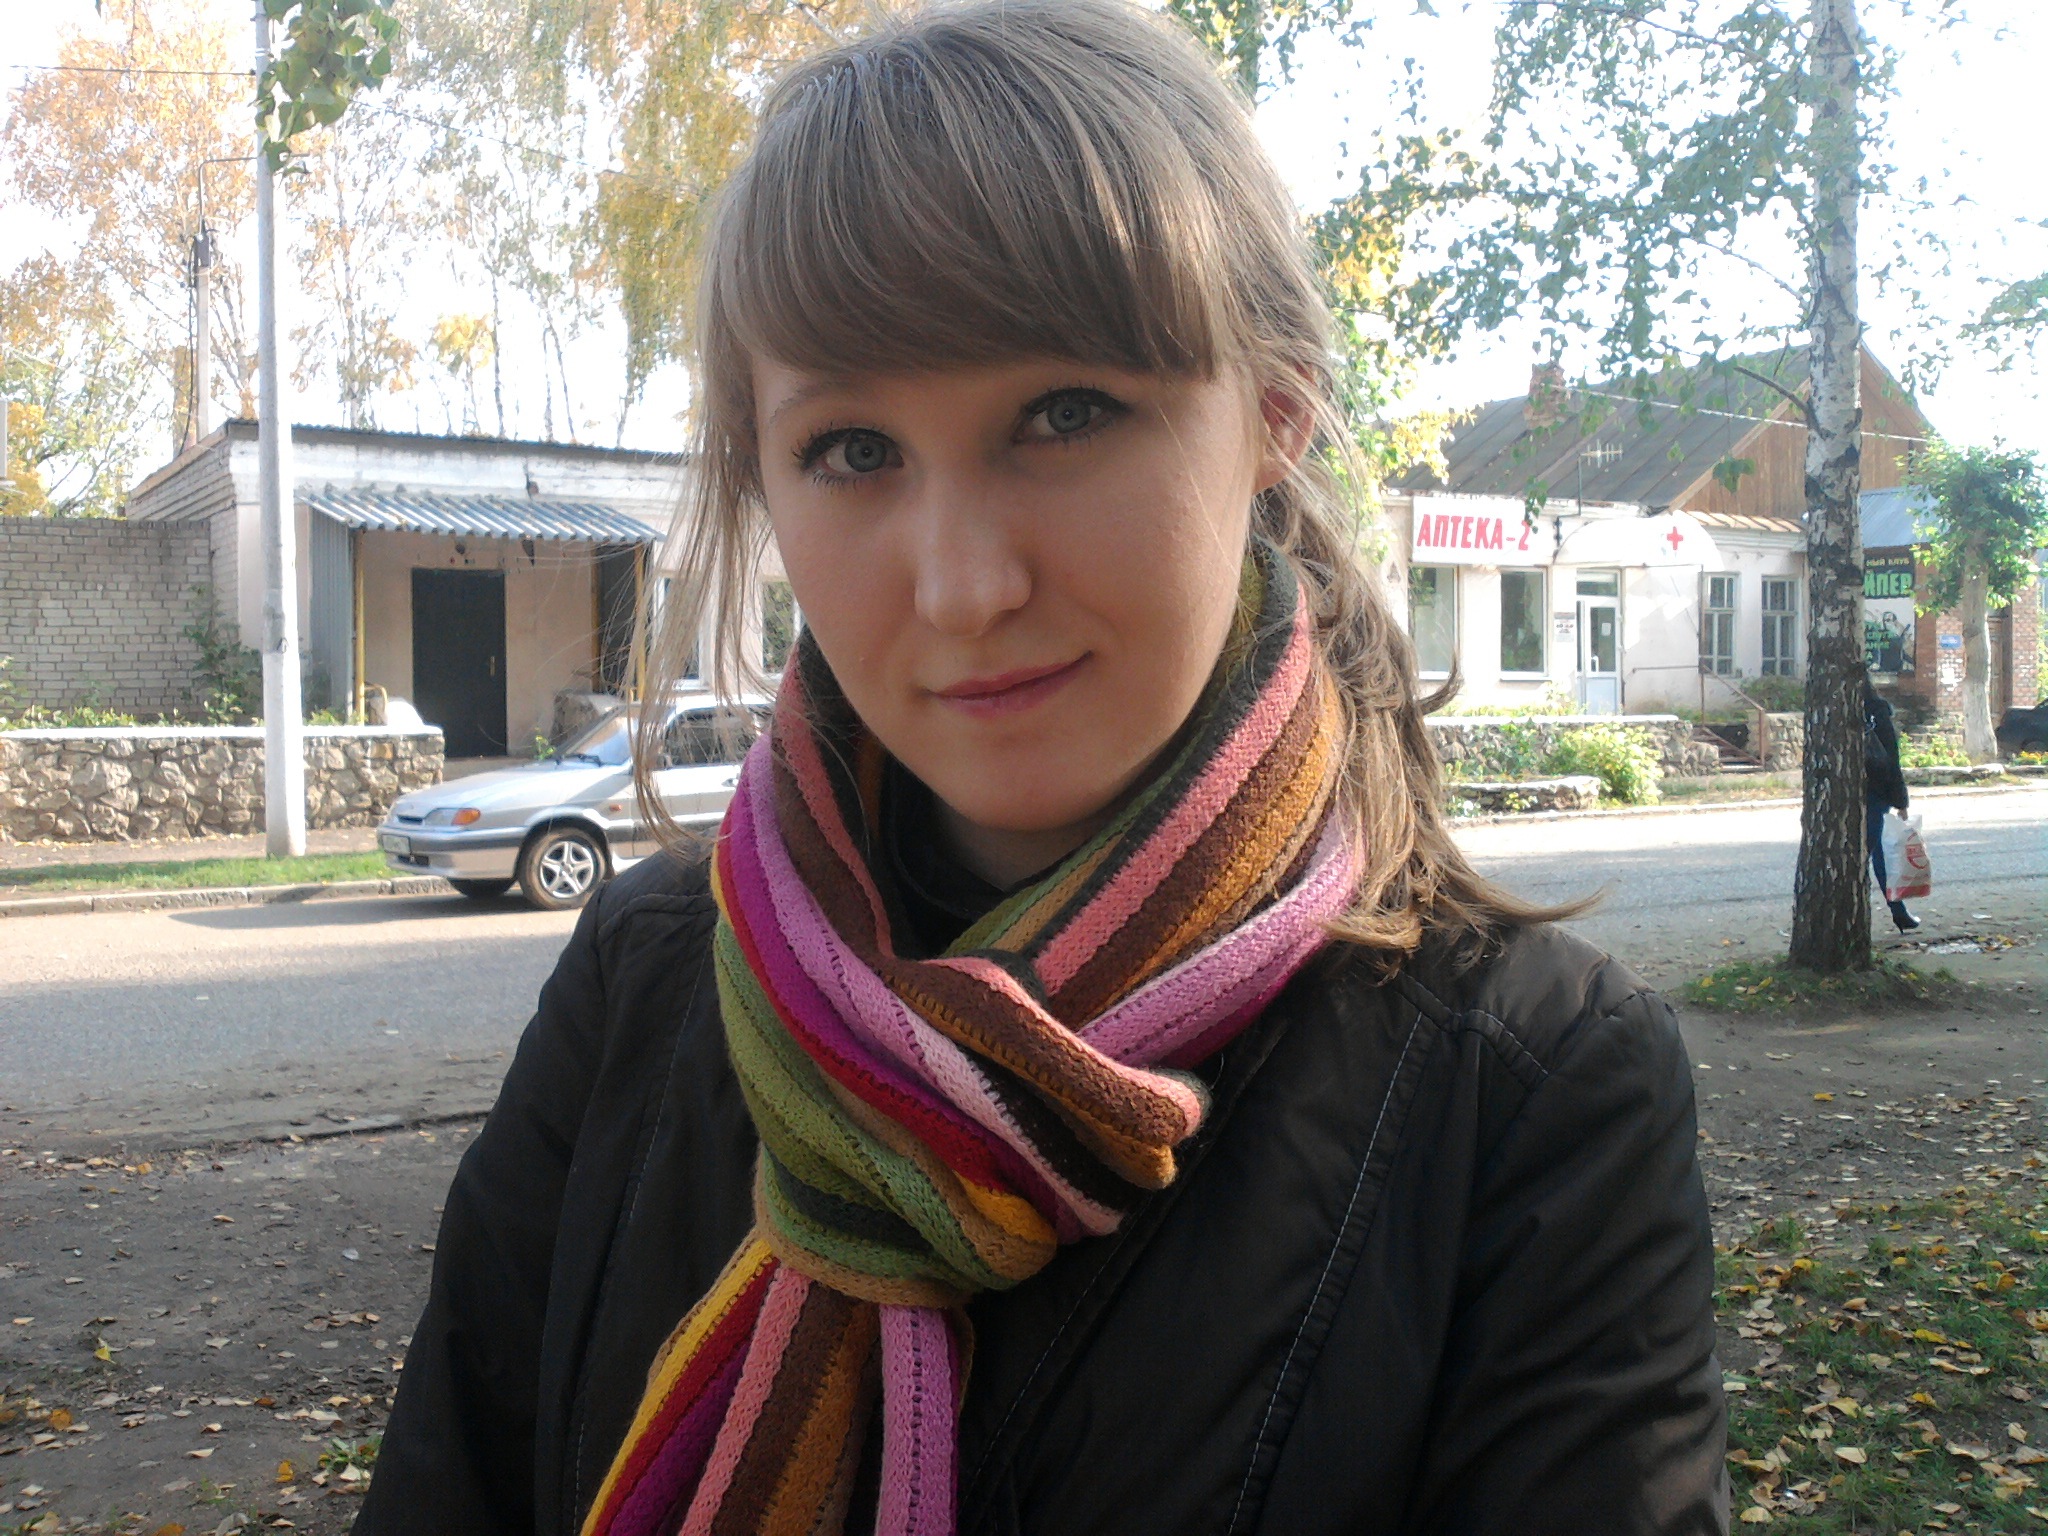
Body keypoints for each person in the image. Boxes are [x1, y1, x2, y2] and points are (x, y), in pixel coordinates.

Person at [355, 4, 1726, 1532]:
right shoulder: (640, 987)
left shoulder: (1529, 1090)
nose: (962, 588)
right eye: (853, 450)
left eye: (1064, 417)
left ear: (1272, 414)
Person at [1865, 677, 1920, 931]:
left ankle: (1897, 912)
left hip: (1847, 793)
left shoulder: (1832, 711)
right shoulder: (1877, 712)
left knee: (1864, 854)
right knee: (1880, 853)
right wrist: (1901, 801)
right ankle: (1898, 911)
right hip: (1875, 792)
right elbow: (1891, 758)